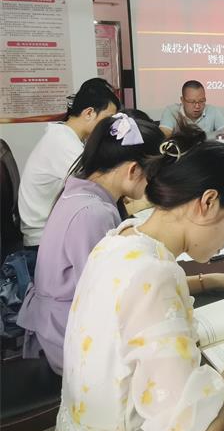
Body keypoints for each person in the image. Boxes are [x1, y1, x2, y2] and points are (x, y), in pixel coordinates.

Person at [54, 125, 224, 431]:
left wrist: (211, 280)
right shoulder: (154, 275)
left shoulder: (121, 237)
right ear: (207, 202)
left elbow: (131, 297)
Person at [17, 111, 163, 374]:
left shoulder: (81, 191)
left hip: (60, 322)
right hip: (68, 337)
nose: (152, 185)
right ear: (133, 170)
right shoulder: (93, 213)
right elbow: (105, 297)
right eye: (152, 176)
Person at [18, 78, 120, 248]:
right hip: (43, 240)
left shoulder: (65, 135)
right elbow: (100, 185)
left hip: (51, 229)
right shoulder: (63, 142)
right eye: (108, 119)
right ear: (89, 113)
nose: (110, 127)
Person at [160, 80, 224, 140]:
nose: (197, 106)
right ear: (182, 100)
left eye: (201, 101)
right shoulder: (171, 111)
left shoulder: (212, 110)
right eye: (192, 102)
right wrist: (207, 137)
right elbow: (163, 137)